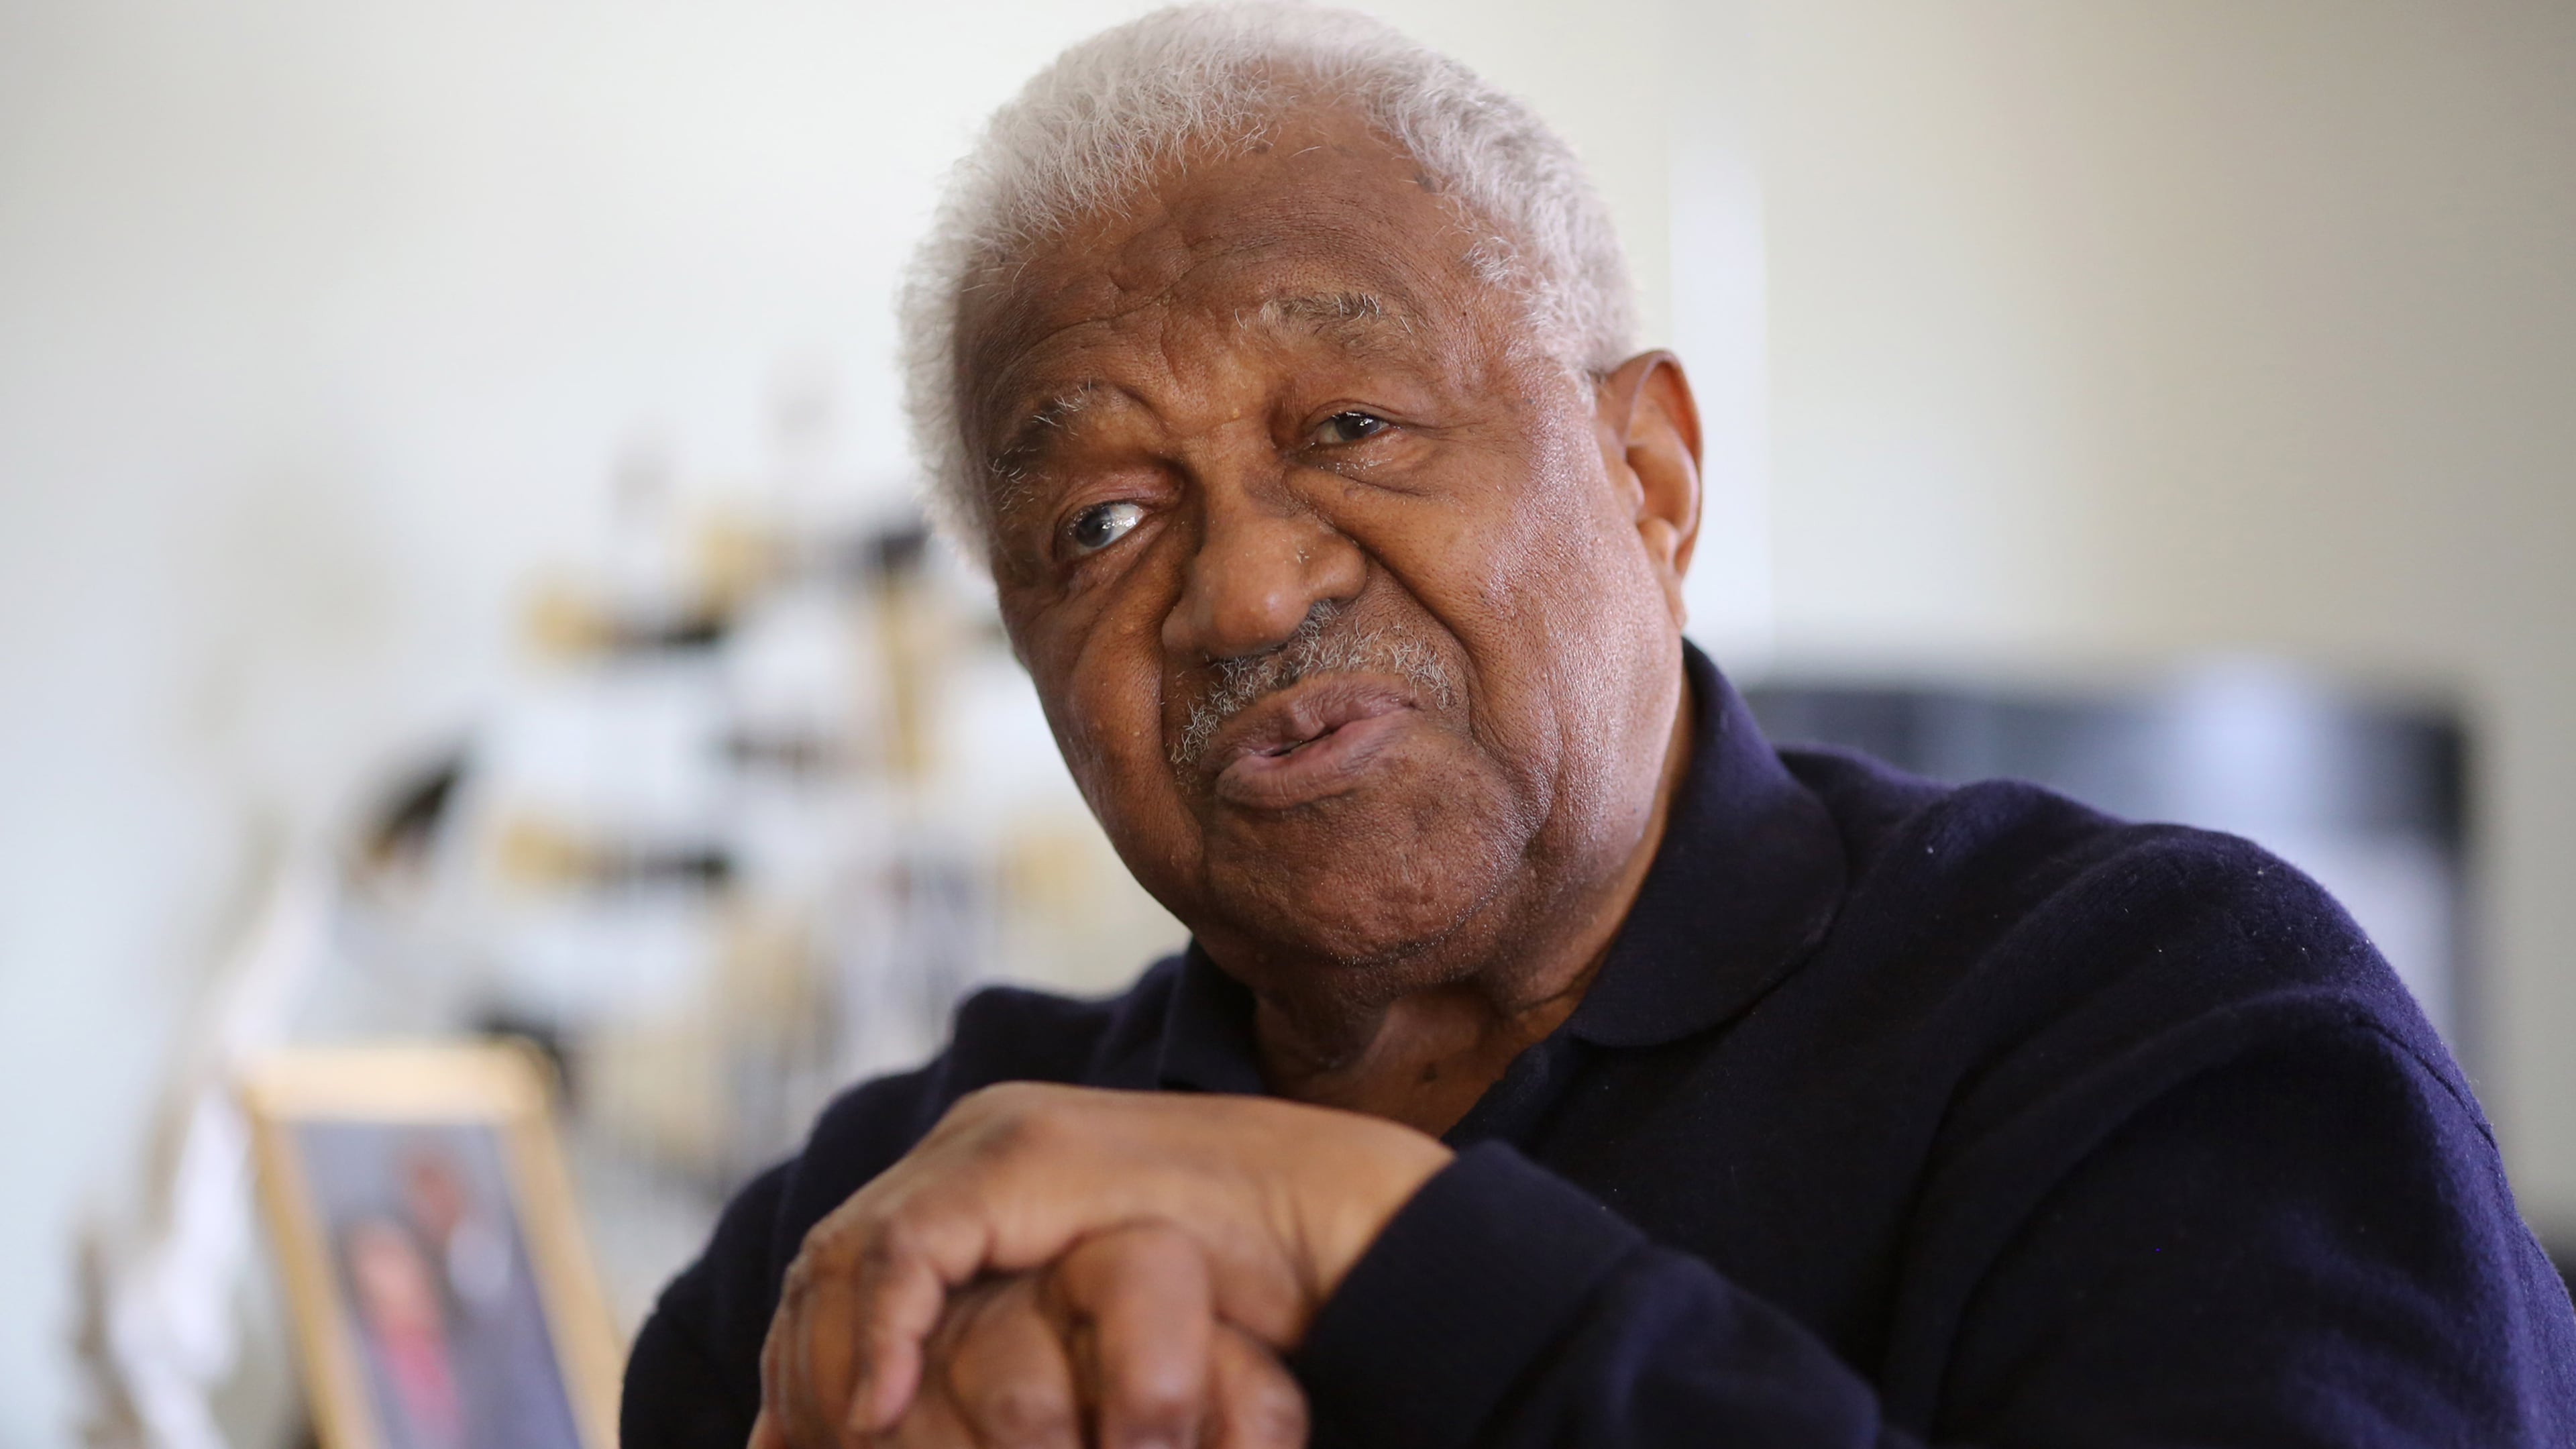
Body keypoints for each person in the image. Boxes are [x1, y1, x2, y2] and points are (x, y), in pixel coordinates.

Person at [625, 5, 2576, 1446]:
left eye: (1353, 427)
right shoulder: (896, 1225)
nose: (1244, 594)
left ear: (1650, 478)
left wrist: (1370, 1245)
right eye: (1102, 526)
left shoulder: (2163, 1024)